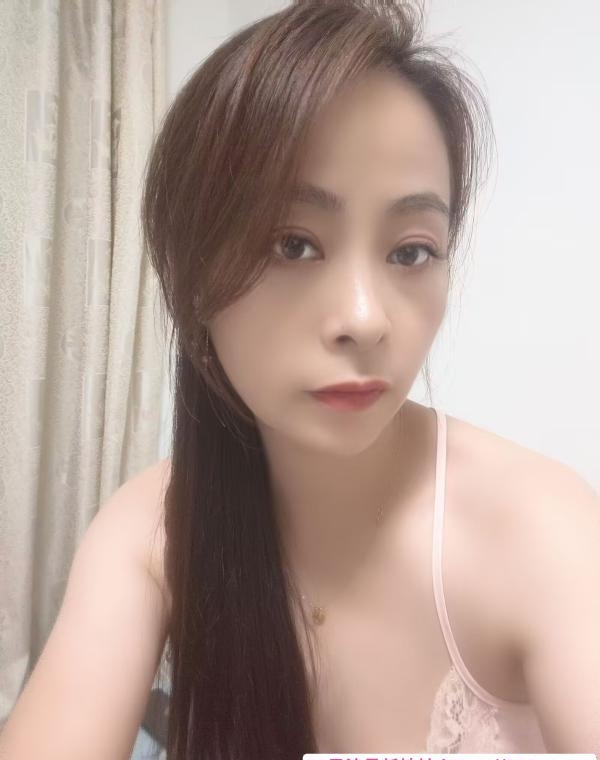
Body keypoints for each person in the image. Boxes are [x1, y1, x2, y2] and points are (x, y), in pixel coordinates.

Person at [2, 1, 599, 758]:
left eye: (411, 251)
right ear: (192, 272)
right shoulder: (153, 529)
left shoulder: (540, 529)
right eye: (293, 244)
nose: (364, 320)